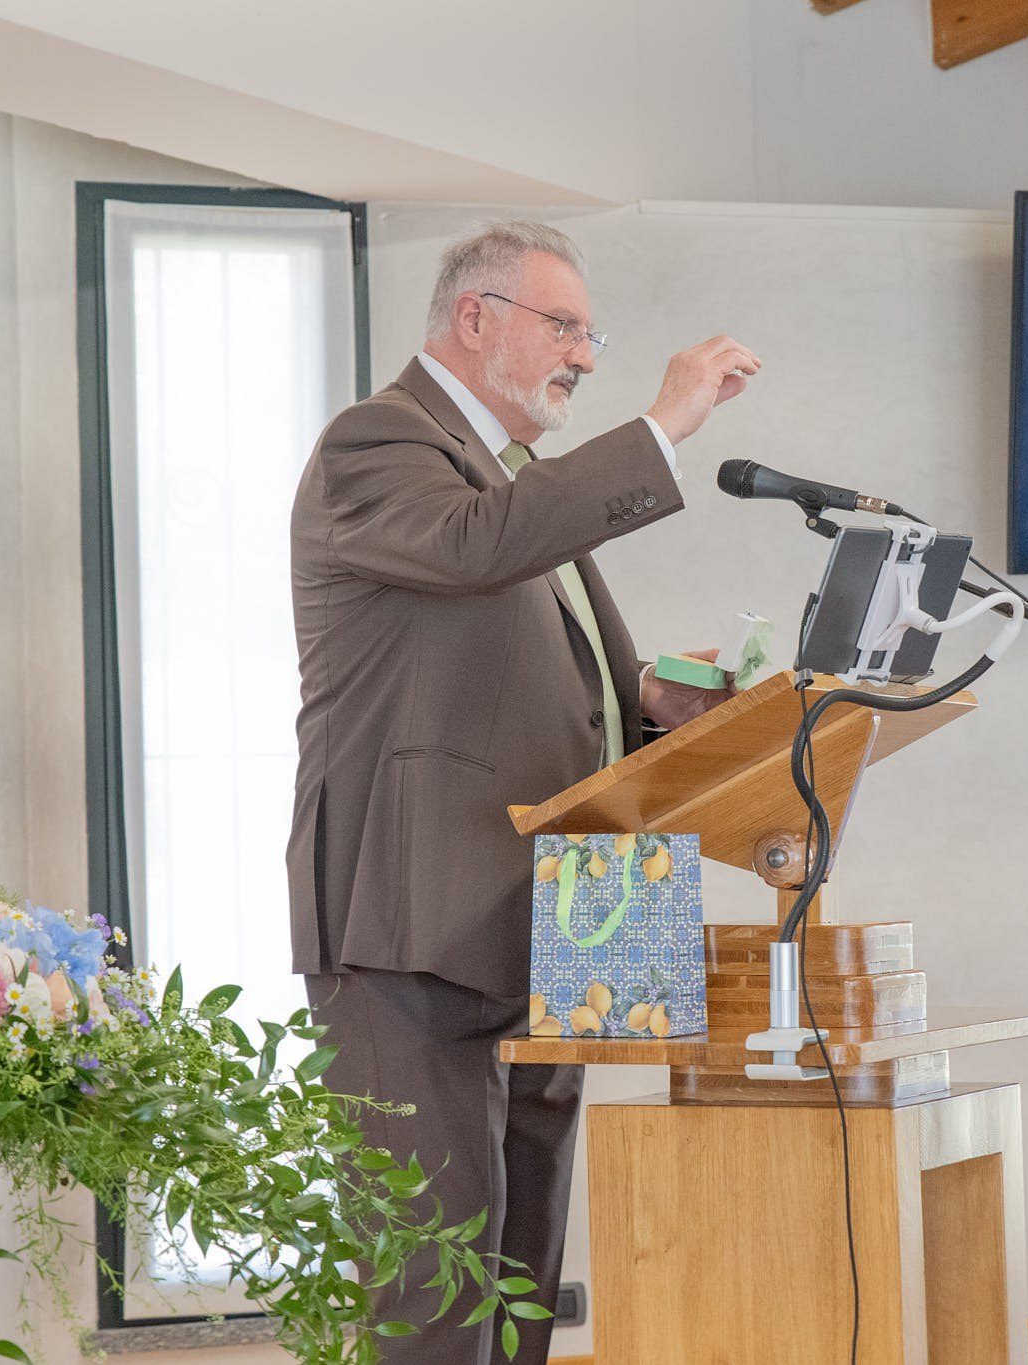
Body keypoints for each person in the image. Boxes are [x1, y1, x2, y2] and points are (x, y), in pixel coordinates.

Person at [285, 220, 758, 1363]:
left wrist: (649, 699)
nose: (584, 356)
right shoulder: (377, 441)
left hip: (570, 914)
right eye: (566, 327)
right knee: (434, 1292)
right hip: (415, 919)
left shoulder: (509, 477)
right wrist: (659, 428)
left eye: (591, 334)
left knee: (522, 1281)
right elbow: (472, 548)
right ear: (474, 317)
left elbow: (524, 667)